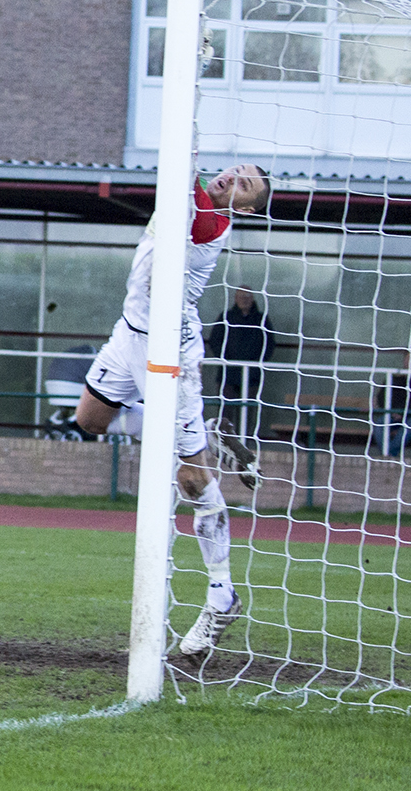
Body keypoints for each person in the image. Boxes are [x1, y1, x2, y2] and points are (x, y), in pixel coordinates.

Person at [72, 163, 271, 656]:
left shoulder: (208, 221)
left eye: (243, 184)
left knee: (192, 480)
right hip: (130, 333)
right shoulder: (197, 196)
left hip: (168, 352)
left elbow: (186, 183)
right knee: (89, 421)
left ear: (244, 207)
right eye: (235, 170)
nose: (231, 178)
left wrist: (187, 153)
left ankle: (221, 592)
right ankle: (207, 431)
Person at [207, 287, 274, 436]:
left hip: (252, 374)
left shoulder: (261, 319)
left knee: (248, 410)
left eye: (247, 296)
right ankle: (224, 440)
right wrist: (226, 360)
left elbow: (269, 344)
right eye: (241, 296)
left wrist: (256, 363)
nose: (244, 299)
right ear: (235, 298)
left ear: (253, 299)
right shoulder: (226, 317)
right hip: (228, 373)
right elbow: (215, 341)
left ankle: (246, 441)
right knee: (226, 410)